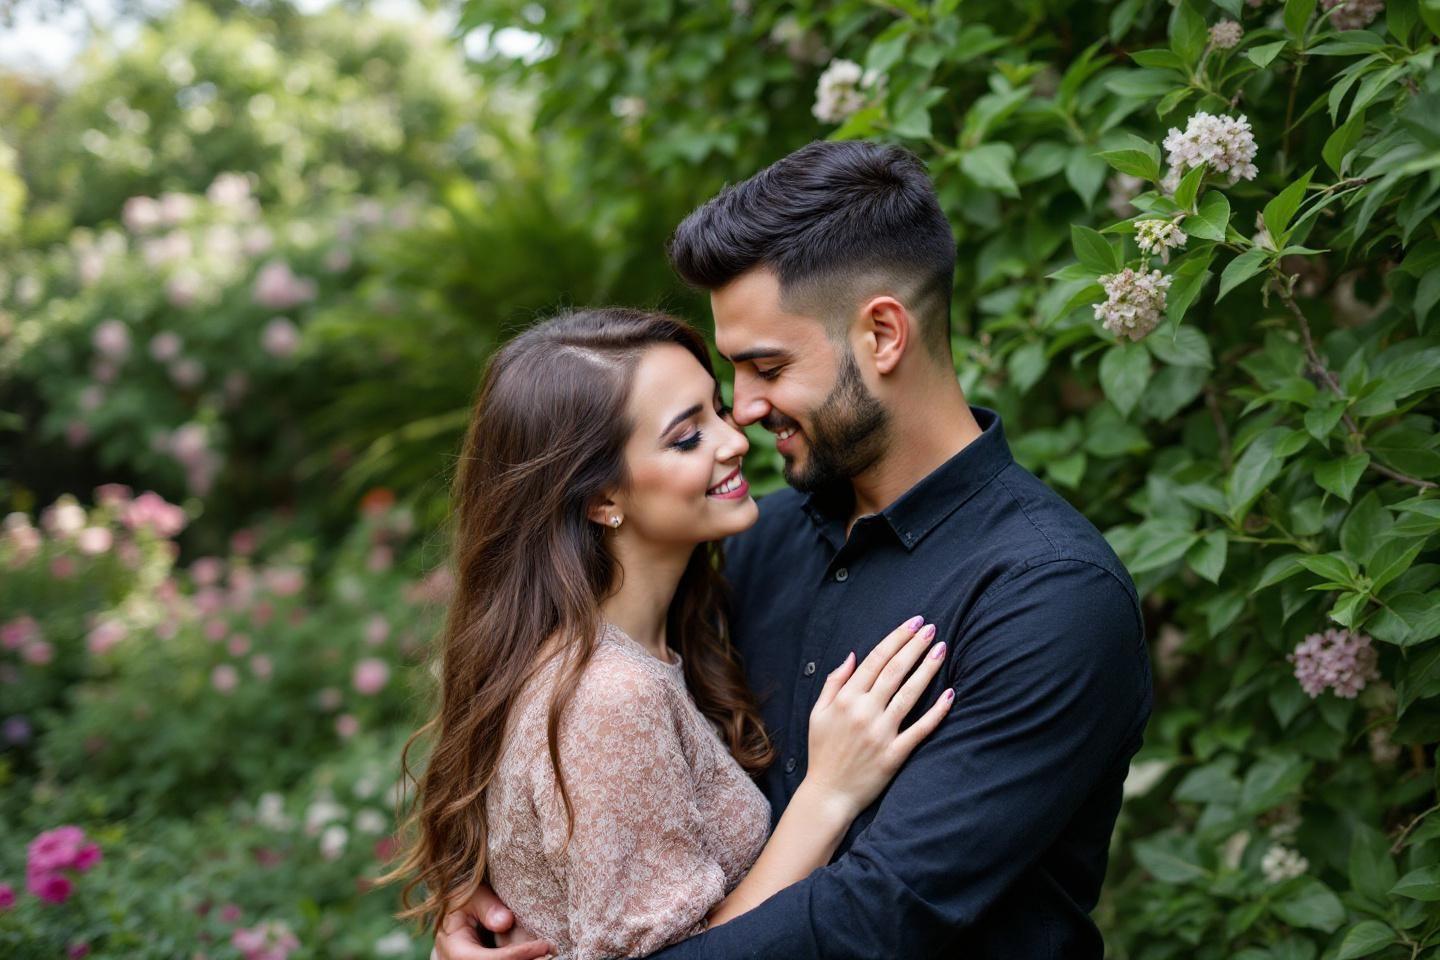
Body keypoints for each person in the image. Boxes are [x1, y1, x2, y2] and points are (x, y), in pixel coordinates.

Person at [435, 140, 1153, 959]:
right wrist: (515, 889)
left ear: (882, 335)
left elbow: (874, 916)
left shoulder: (1049, 596)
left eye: (765, 366)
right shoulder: (754, 544)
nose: (742, 412)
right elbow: (604, 785)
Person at [380, 307, 955, 960]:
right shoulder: (609, 695)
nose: (734, 438)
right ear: (600, 499)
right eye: (688, 437)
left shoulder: (644, 642)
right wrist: (828, 795)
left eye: (716, 408)